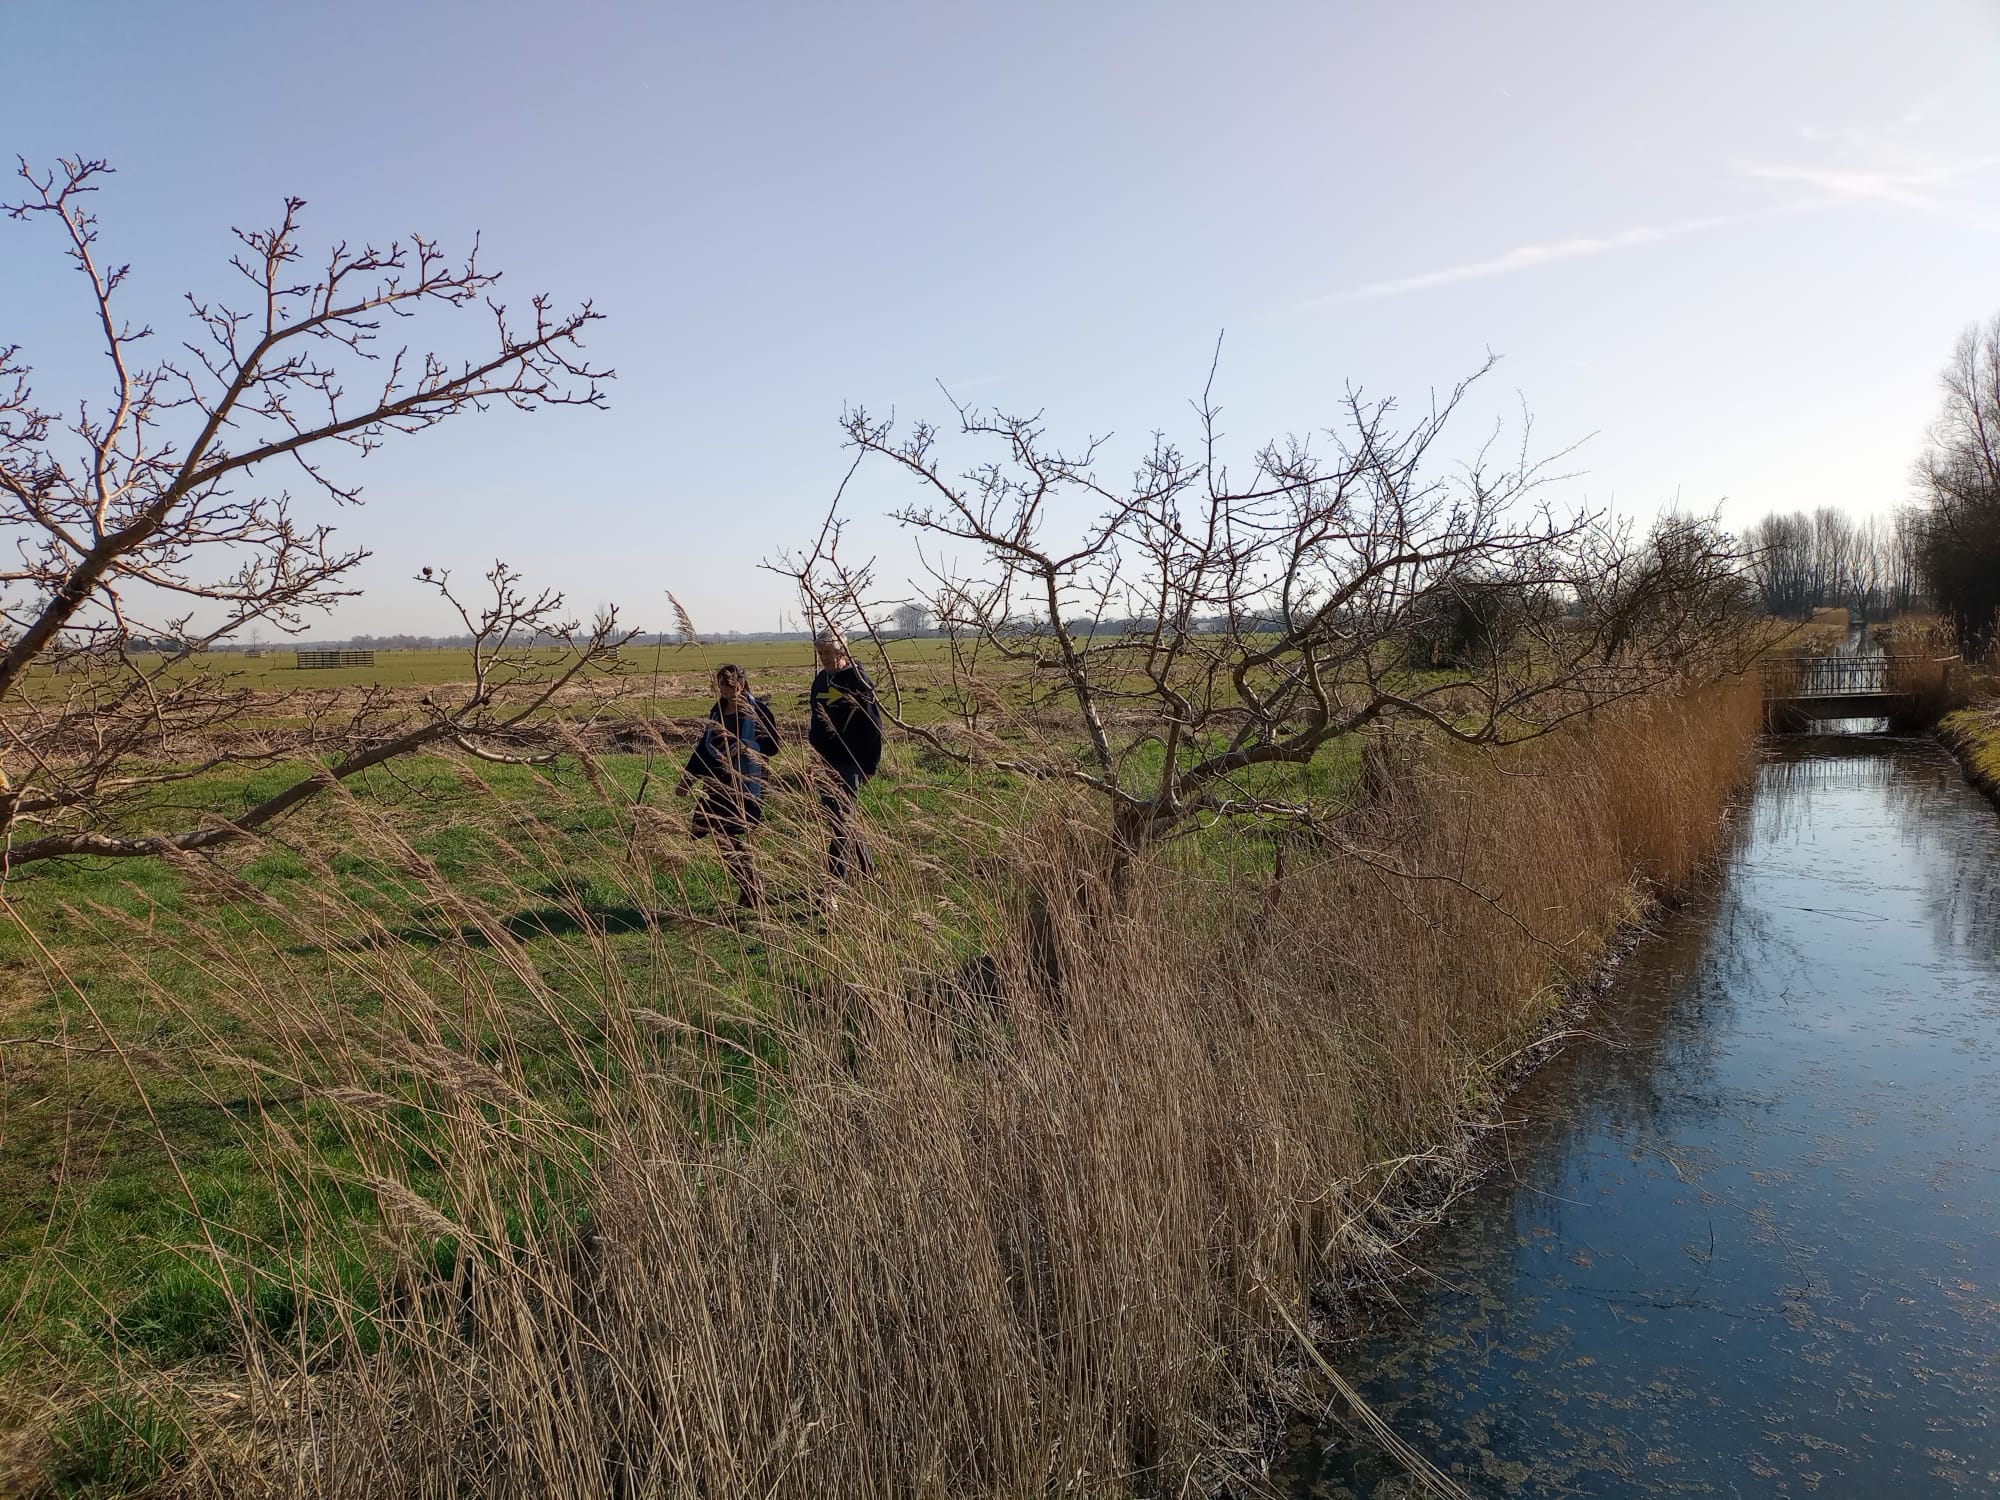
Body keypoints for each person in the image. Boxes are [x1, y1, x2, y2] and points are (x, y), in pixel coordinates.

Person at [675, 664, 781, 910]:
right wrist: (687, 781)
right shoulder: (717, 712)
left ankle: (752, 886)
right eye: (721, 685)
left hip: (747, 781)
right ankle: (750, 884)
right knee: (718, 833)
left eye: (730, 685)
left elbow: (773, 746)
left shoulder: (758, 710)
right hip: (718, 781)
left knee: (731, 831)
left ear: (741, 685)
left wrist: (747, 745)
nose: (725, 690)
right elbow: (704, 749)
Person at [807, 628, 882, 881]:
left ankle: (834, 885)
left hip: (850, 763)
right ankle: (870, 871)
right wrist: (814, 759)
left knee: (841, 821)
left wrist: (870, 766)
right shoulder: (820, 681)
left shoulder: (858, 681)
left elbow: (874, 726)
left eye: (828, 652)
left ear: (842, 651)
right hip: (824, 762)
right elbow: (816, 722)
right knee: (841, 818)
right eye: (820, 653)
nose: (824, 657)